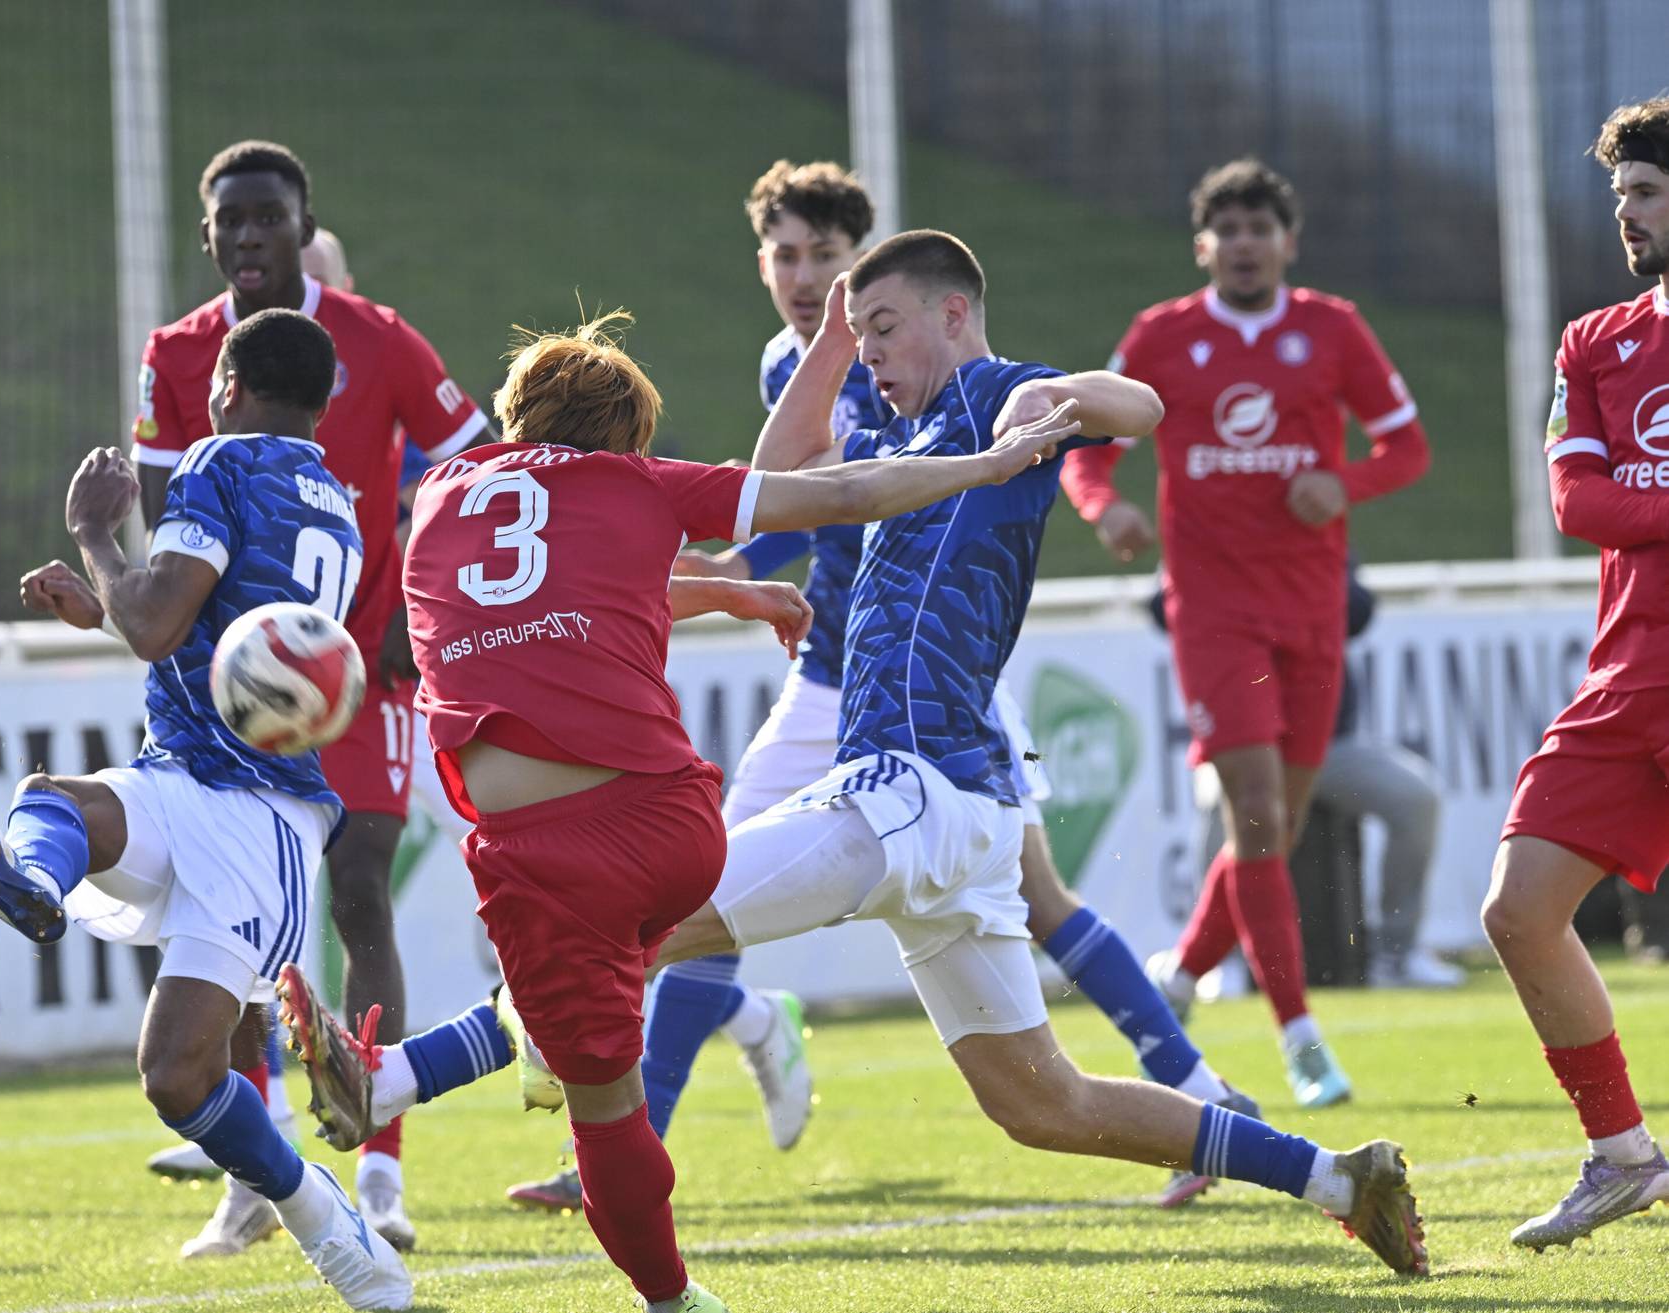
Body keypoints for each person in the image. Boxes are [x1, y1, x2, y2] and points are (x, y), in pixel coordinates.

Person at [291, 237, 1429, 1283]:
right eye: (861, 333)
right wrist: (830, 347)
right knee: (1048, 1105)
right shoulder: (891, 431)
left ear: (952, 312)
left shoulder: (996, 395)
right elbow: (787, 470)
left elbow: (1144, 403)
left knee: (626, 922)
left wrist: (1058, 399)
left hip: (913, 785)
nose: (870, 353)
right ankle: (1338, 1176)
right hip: (955, 808)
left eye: (884, 327)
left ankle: (392, 1077)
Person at [514, 159, 1257, 1217]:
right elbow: (801, 492)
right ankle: (640, 1137)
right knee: (698, 888)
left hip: (932, 691)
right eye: (789, 256)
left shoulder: (946, 359)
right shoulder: (815, 358)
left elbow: (1115, 407)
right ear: (763, 263)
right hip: (840, 676)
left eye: (829, 259)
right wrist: (745, 584)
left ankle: (1197, 1089)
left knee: (1034, 903)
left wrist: (1056, 401)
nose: (808, 278)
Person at [0, 309, 411, 1310]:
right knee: (53, 800)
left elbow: (157, 624)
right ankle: (32, 883)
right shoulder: (341, 502)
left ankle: (320, 1214)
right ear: (323, 405)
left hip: (255, 815)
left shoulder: (217, 461)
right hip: (195, 779)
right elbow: (210, 634)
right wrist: (110, 601)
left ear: (227, 384)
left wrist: (98, 531)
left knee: (175, 1077)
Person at [129, 141, 492, 1250]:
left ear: (303, 226)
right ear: (208, 236)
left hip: (361, 666)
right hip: (224, 686)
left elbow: (470, 459)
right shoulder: (179, 354)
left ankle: (381, 1167)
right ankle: (257, 1152)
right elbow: (159, 497)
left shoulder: (375, 338)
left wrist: (405, 604)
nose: (248, 238)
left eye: (267, 219)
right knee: (229, 908)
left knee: (361, 894)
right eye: (229, 221)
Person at [1061, 159, 1431, 1108]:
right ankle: (1299, 1035)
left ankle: (1178, 979)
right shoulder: (1164, 336)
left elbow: (1407, 447)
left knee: (1278, 824)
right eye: (1225, 228)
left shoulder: (1333, 328)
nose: (1243, 242)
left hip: (1310, 612)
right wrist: (1106, 510)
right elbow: (1086, 448)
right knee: (1259, 814)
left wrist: (1341, 483)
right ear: (1203, 246)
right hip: (1214, 612)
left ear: (1287, 242)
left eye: (1259, 226)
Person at [1481, 97, 1669, 1250]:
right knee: (1516, 909)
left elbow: (1617, 498)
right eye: (1621, 200)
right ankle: (1621, 1155)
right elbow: (1575, 500)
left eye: (1645, 195)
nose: (1628, 218)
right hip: (1628, 674)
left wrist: (1640, 505)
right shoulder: (1594, 342)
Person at [1171, 566, 1460, 992]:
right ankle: (1220, 962)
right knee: (1221, 811)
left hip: (1329, 744)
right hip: (1246, 749)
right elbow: (1165, 604)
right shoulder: (1213, 524)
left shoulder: (1311, 523)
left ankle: (1397, 956)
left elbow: (1360, 610)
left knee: (1417, 798)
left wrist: (1295, 582)